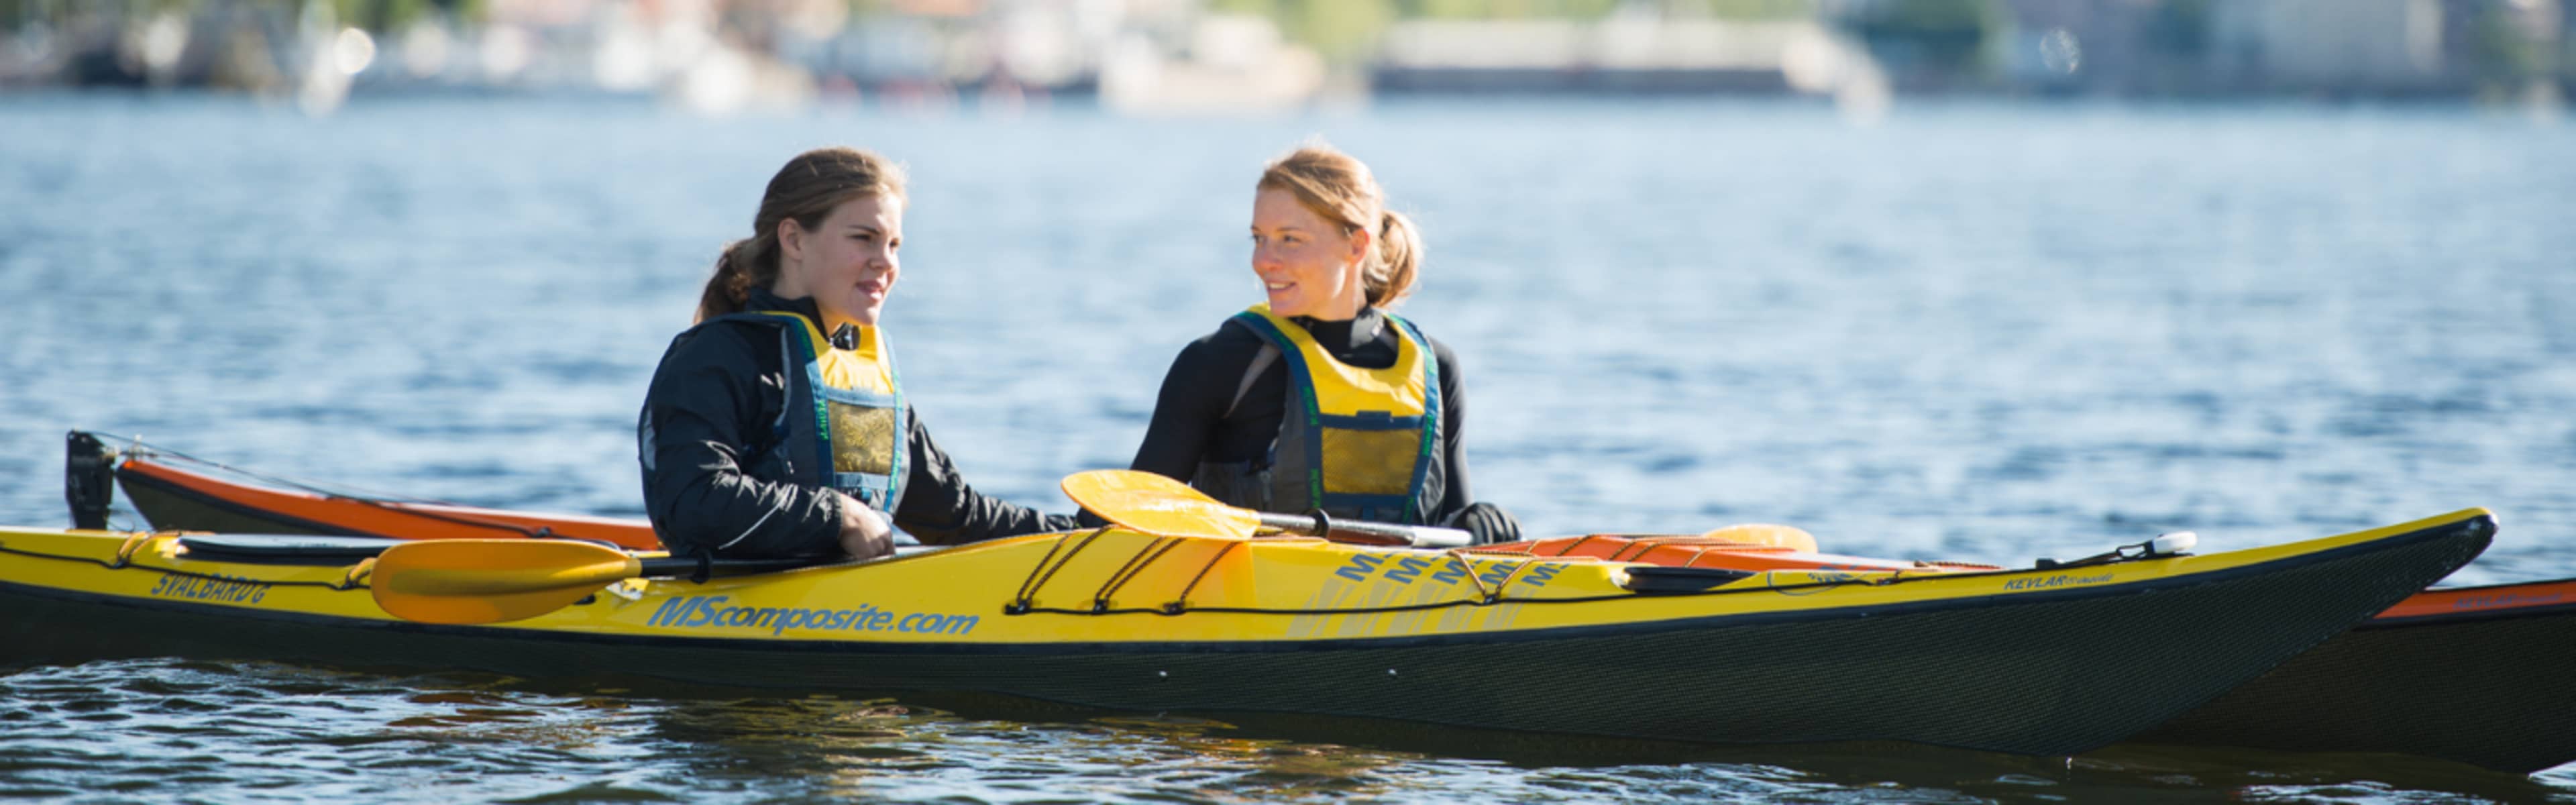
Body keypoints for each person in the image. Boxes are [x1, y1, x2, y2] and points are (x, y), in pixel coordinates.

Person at [639, 147, 1075, 561]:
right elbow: (693, 501)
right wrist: (840, 515)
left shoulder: (861, 372)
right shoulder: (716, 358)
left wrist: (1086, 534)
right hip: (725, 609)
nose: (886, 263)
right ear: (793, 240)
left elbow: (959, 518)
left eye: (894, 245)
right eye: (865, 239)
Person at [1122, 144, 1521, 543]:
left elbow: (1454, 539)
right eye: (1258, 239)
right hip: (1246, 598)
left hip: (1396, 599)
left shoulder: (1435, 368)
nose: (1264, 261)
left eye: (1289, 240)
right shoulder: (1220, 363)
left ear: (1356, 246)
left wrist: (1480, 522)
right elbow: (1121, 523)